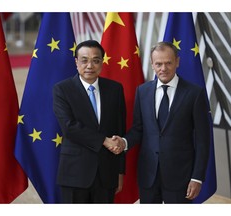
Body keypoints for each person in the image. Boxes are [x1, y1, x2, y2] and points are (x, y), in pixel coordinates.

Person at [111, 41, 211, 203]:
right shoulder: (142, 91)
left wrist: (197, 177)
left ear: (177, 62)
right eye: (158, 64)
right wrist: (124, 142)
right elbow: (138, 129)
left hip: (181, 177)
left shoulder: (194, 93)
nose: (163, 68)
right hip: (148, 175)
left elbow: (203, 140)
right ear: (152, 64)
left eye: (168, 63)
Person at [52, 40, 126, 203]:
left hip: (106, 174)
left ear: (102, 62)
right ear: (76, 62)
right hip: (75, 174)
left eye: (96, 60)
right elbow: (69, 127)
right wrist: (104, 141)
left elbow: (120, 130)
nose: (90, 65)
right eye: (84, 60)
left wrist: (119, 171)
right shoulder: (62, 89)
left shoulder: (115, 89)